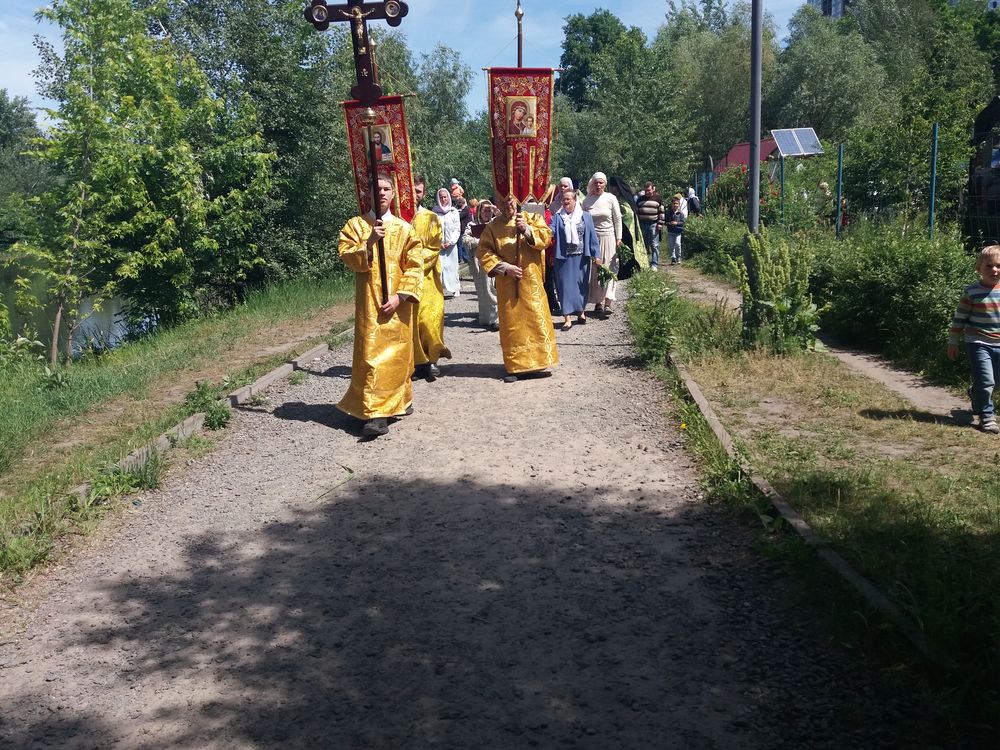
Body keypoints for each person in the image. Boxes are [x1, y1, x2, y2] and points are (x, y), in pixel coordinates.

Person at [336, 175, 422, 438]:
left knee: (397, 356)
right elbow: (347, 256)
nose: (382, 193)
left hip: (397, 305)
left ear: (393, 194)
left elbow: (415, 266)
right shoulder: (356, 225)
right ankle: (375, 411)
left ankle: (395, 402)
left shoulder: (405, 229)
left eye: (387, 189)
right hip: (369, 305)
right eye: (378, 189)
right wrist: (370, 242)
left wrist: (400, 297)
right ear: (370, 194)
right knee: (371, 356)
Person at [477, 193, 558, 382]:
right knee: (513, 325)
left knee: (535, 318)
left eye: (510, 200)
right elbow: (484, 252)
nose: (508, 205)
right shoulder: (492, 227)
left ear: (517, 200)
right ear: (497, 203)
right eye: (503, 201)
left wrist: (527, 230)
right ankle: (515, 366)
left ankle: (539, 361)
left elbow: (546, 237)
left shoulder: (532, 218)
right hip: (507, 284)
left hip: (532, 282)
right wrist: (504, 267)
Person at [948, 245, 1000, 433]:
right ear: (979, 268)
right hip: (978, 343)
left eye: (999, 265)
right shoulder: (972, 292)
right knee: (986, 381)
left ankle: (975, 392)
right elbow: (960, 318)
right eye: (989, 266)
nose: (994, 270)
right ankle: (987, 417)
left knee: (995, 382)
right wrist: (953, 341)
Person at [410, 175, 452, 382]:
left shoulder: (430, 218)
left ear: (424, 193)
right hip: (402, 280)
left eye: (418, 191)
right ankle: (415, 362)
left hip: (427, 277)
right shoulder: (398, 219)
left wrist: (411, 262)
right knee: (411, 322)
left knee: (429, 319)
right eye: (411, 190)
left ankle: (432, 359)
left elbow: (434, 248)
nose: (414, 195)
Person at [550, 185, 598, 331]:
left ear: (575, 200)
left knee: (580, 286)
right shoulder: (557, 217)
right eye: (563, 199)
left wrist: (596, 255)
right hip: (563, 259)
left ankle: (581, 311)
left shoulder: (586, 216)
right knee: (564, 287)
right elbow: (550, 232)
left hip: (581, 258)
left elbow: (593, 237)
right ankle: (567, 318)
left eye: (568, 199)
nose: (565, 202)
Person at [581, 171, 622, 317]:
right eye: (596, 182)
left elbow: (617, 219)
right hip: (593, 239)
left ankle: (608, 302)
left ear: (605, 184)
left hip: (609, 237)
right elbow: (582, 221)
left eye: (601, 182)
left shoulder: (611, 198)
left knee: (610, 268)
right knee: (596, 270)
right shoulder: (587, 201)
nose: (598, 185)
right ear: (592, 183)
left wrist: (618, 238)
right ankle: (598, 302)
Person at [462, 199, 500, 330]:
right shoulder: (472, 224)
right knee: (482, 290)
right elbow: (465, 239)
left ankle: (496, 319)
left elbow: (506, 223)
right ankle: (486, 318)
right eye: (484, 210)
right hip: (478, 262)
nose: (487, 213)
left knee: (492, 288)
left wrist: (496, 211)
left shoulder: (495, 223)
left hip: (493, 261)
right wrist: (479, 241)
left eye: (489, 210)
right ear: (479, 211)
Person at [608, 175, 649, 279]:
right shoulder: (615, 198)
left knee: (628, 249)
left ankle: (629, 271)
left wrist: (618, 217)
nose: (611, 190)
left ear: (617, 188)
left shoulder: (624, 199)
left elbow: (629, 213)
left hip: (628, 229)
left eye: (613, 188)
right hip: (620, 229)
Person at [433, 188, 462, 298]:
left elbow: (457, 228)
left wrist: (451, 242)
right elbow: (433, 229)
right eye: (441, 197)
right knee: (440, 268)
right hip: (439, 245)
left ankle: (455, 288)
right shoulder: (435, 212)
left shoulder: (453, 211)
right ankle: (439, 290)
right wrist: (438, 242)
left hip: (451, 245)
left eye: (445, 197)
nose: (443, 199)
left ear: (448, 197)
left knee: (452, 267)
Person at [637, 182, 665, 270]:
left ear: (653, 189)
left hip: (654, 224)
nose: (647, 192)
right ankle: (644, 263)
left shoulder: (658, 199)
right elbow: (637, 212)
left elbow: (661, 212)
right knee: (644, 244)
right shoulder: (640, 199)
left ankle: (654, 263)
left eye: (649, 190)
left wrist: (660, 223)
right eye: (645, 190)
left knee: (654, 245)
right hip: (642, 224)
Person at [665, 193, 686, 265]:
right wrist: (670, 223)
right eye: (674, 203)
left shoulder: (681, 214)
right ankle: (673, 258)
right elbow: (666, 222)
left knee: (677, 244)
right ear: (671, 204)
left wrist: (677, 223)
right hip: (670, 232)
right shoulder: (668, 213)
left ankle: (678, 257)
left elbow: (683, 222)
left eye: (676, 203)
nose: (675, 205)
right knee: (671, 246)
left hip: (678, 232)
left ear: (679, 204)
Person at [456, 195, 471, 263]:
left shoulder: (466, 209)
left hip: (464, 228)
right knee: (460, 244)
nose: (458, 204)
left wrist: (457, 212)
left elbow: (460, 216)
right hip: (460, 228)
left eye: (459, 203)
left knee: (463, 244)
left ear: (462, 203)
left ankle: (465, 258)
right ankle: (461, 258)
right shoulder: (461, 209)